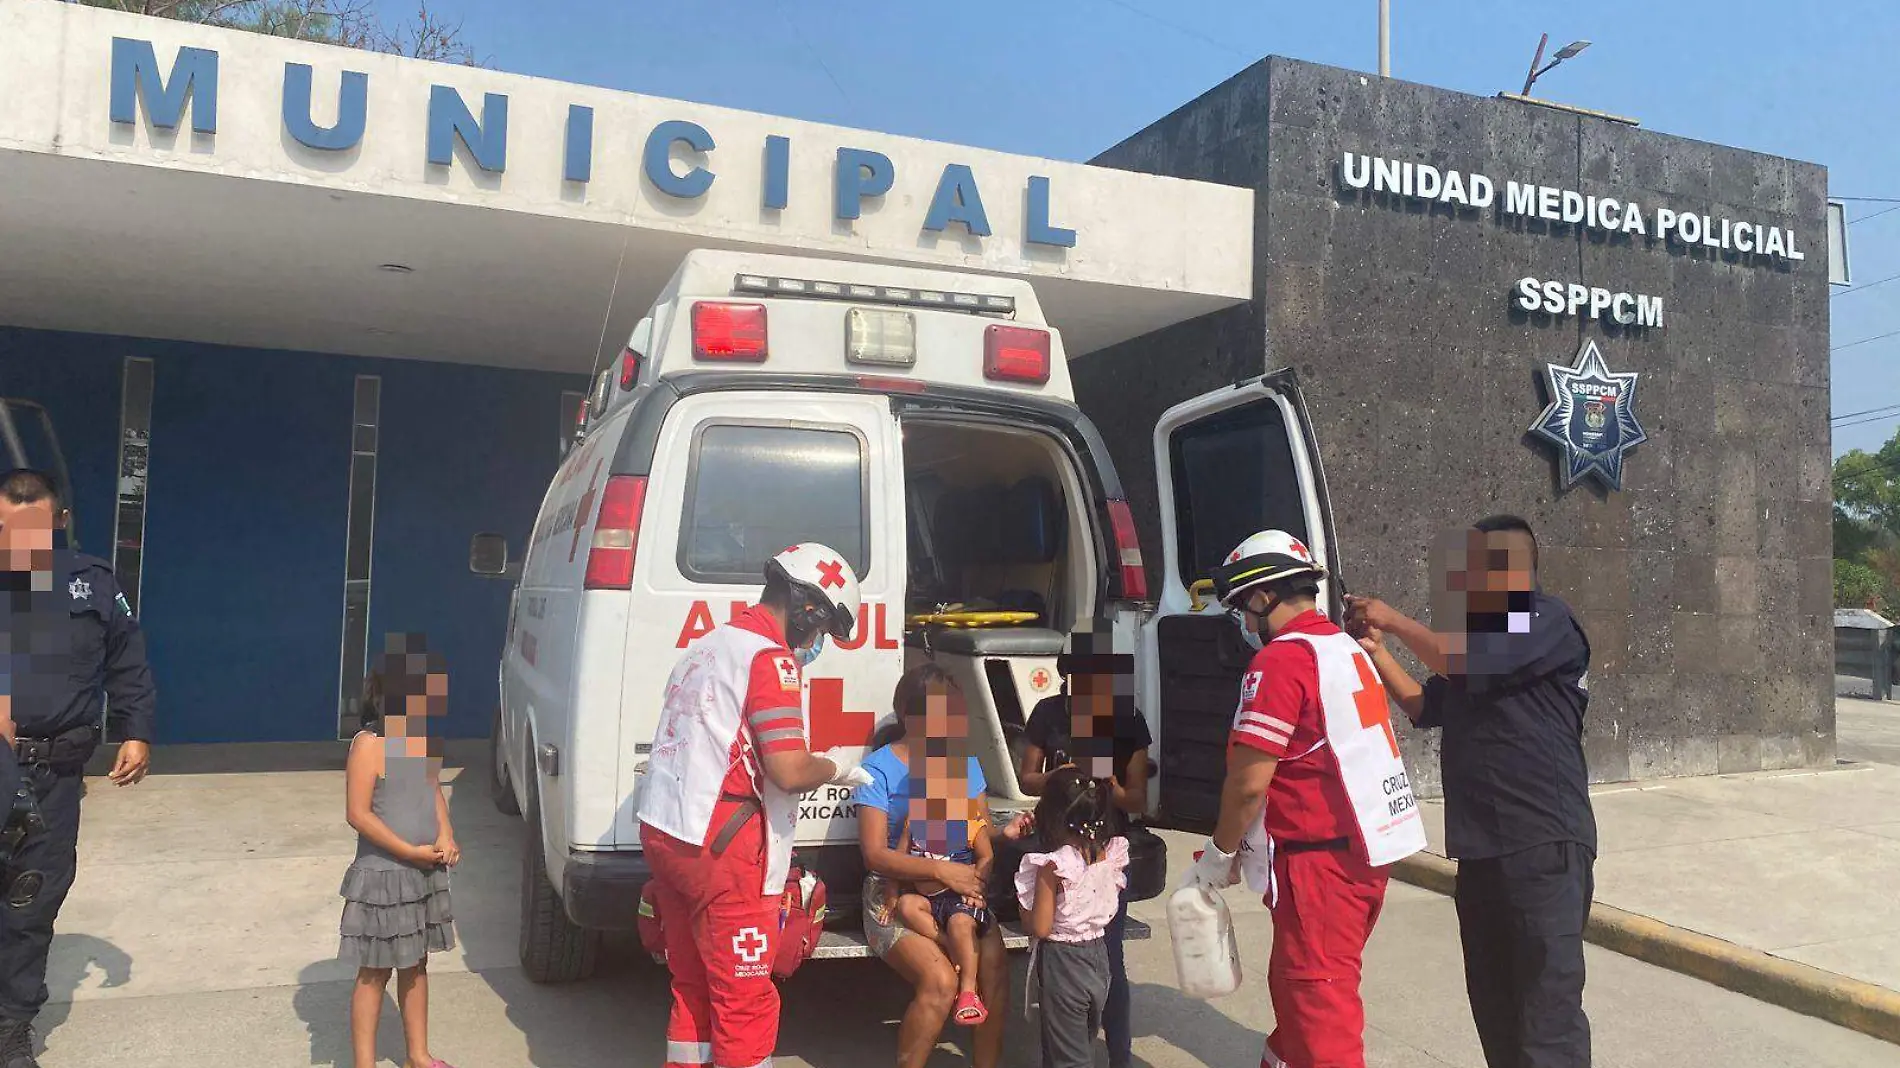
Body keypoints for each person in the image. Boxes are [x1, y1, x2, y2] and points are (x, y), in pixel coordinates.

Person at [1346, 515, 1595, 1068]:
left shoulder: (1546, 620)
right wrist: (1377, 648)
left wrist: (1395, 617)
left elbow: (1457, 660)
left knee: (1546, 1019)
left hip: (1542, 846)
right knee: (1496, 1009)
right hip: (1482, 852)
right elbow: (1421, 704)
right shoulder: (1483, 645)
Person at [1181, 529, 1425, 1068]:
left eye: (1243, 609)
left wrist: (1217, 858)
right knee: (1299, 994)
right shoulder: (1347, 651)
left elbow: (1249, 782)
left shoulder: (1280, 662)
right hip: (1362, 858)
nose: (1245, 624)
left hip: (1317, 869)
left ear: (1263, 596)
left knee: (1321, 1012)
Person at [636, 543, 872, 1068]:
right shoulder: (770, 659)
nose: (816, 644)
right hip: (724, 851)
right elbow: (787, 771)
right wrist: (836, 767)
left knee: (693, 986)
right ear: (808, 608)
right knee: (746, 1002)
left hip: (668, 834)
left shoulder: (707, 646)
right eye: (822, 631)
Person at [0, 469, 153, 1068]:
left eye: (36, 529)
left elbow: (128, 661)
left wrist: (135, 731)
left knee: (31, 901)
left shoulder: (91, 584)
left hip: (54, 773)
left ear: (59, 522)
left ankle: (11, 1028)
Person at [855, 663, 1010, 1068]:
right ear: (911, 715)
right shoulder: (878, 770)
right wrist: (939, 872)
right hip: (893, 891)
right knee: (940, 982)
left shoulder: (965, 764)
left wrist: (987, 858)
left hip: (957, 887)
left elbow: (981, 831)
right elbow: (873, 854)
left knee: (994, 967)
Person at [1016, 622, 1151, 1068]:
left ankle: (1118, 1057)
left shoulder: (1128, 720)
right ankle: (1064, 1044)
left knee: (1108, 951)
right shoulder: (1049, 713)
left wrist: (1107, 785)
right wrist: (1059, 779)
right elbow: (1026, 777)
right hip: (1056, 840)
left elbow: (1138, 798)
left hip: (1102, 849)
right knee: (1055, 946)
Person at [339, 635, 459, 1068]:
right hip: (384, 876)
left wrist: (446, 834)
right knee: (374, 972)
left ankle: (418, 1056)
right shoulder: (369, 744)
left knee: (416, 966)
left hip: (422, 874)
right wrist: (408, 850)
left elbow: (433, 791)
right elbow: (358, 813)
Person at [1014, 767, 1129, 1068]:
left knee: (1069, 1056)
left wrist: (1023, 906)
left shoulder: (1053, 865)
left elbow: (1039, 925)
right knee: (1075, 1042)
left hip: (1063, 962)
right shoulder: (1109, 854)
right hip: (1099, 957)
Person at [887, 754, 995, 1025]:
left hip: (960, 900)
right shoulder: (915, 821)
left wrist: (977, 887)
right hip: (928, 902)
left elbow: (986, 857)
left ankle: (968, 991)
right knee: (907, 906)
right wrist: (891, 894)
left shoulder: (969, 817)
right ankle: (949, 946)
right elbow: (899, 860)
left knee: (961, 925)